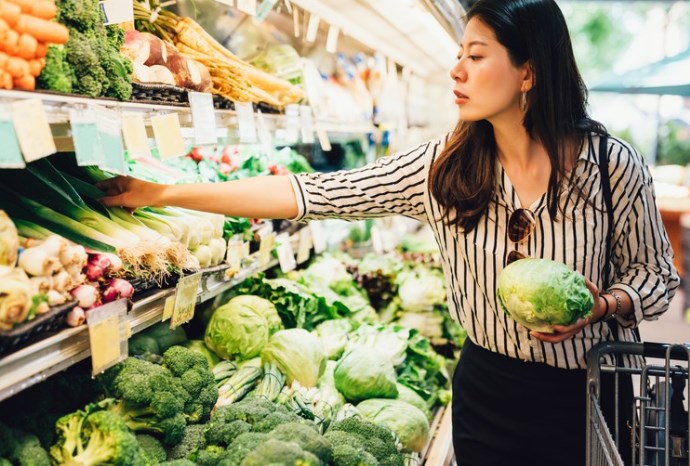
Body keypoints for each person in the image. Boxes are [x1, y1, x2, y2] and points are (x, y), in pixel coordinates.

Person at [98, 0, 679, 464]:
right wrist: (163, 193)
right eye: (459, 54)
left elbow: (655, 275)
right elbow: (311, 195)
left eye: (476, 56)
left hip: (587, 396)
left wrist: (602, 304)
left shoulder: (610, 166)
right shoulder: (443, 170)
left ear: (528, 71)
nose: (456, 70)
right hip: (488, 389)